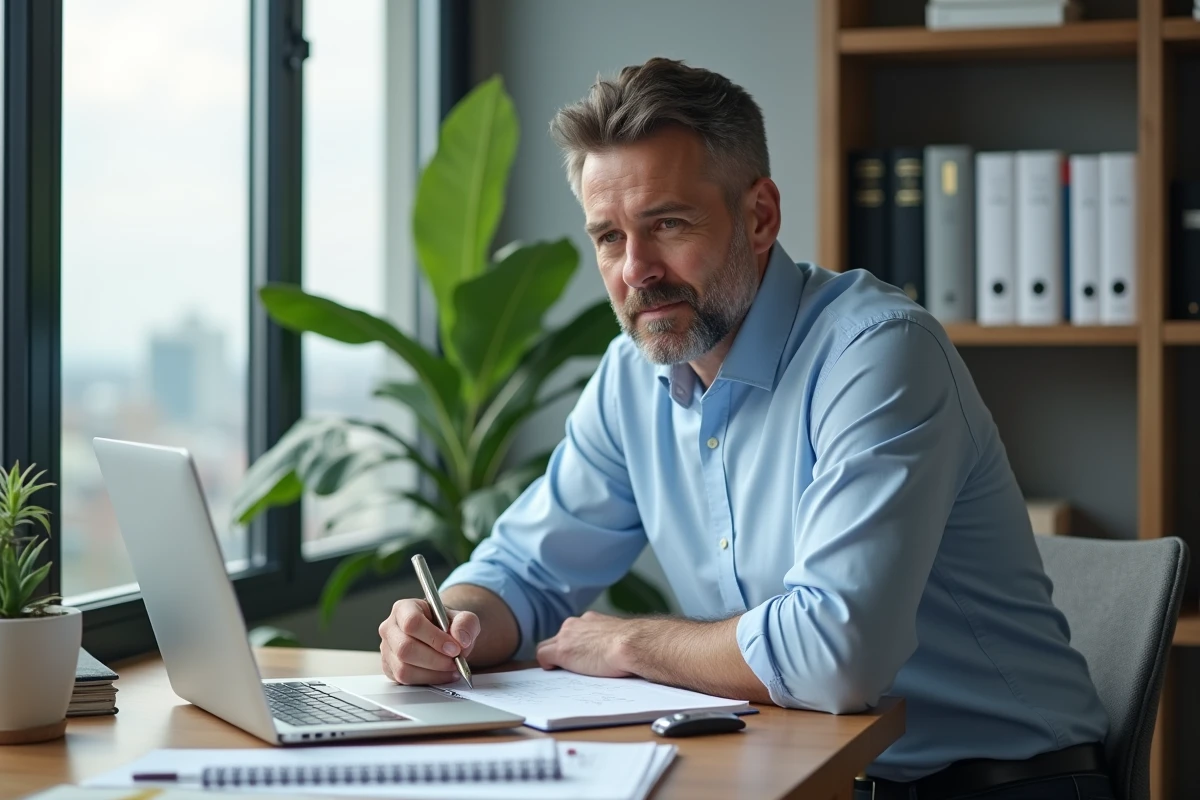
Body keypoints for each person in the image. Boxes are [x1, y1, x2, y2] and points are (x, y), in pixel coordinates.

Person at [378, 57, 1113, 800]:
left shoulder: (879, 353)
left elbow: (836, 653)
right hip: (796, 772)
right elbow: (528, 572)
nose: (637, 270)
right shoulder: (632, 377)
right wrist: (451, 626)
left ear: (760, 215)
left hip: (1000, 785)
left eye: (666, 223)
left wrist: (630, 641)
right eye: (608, 237)